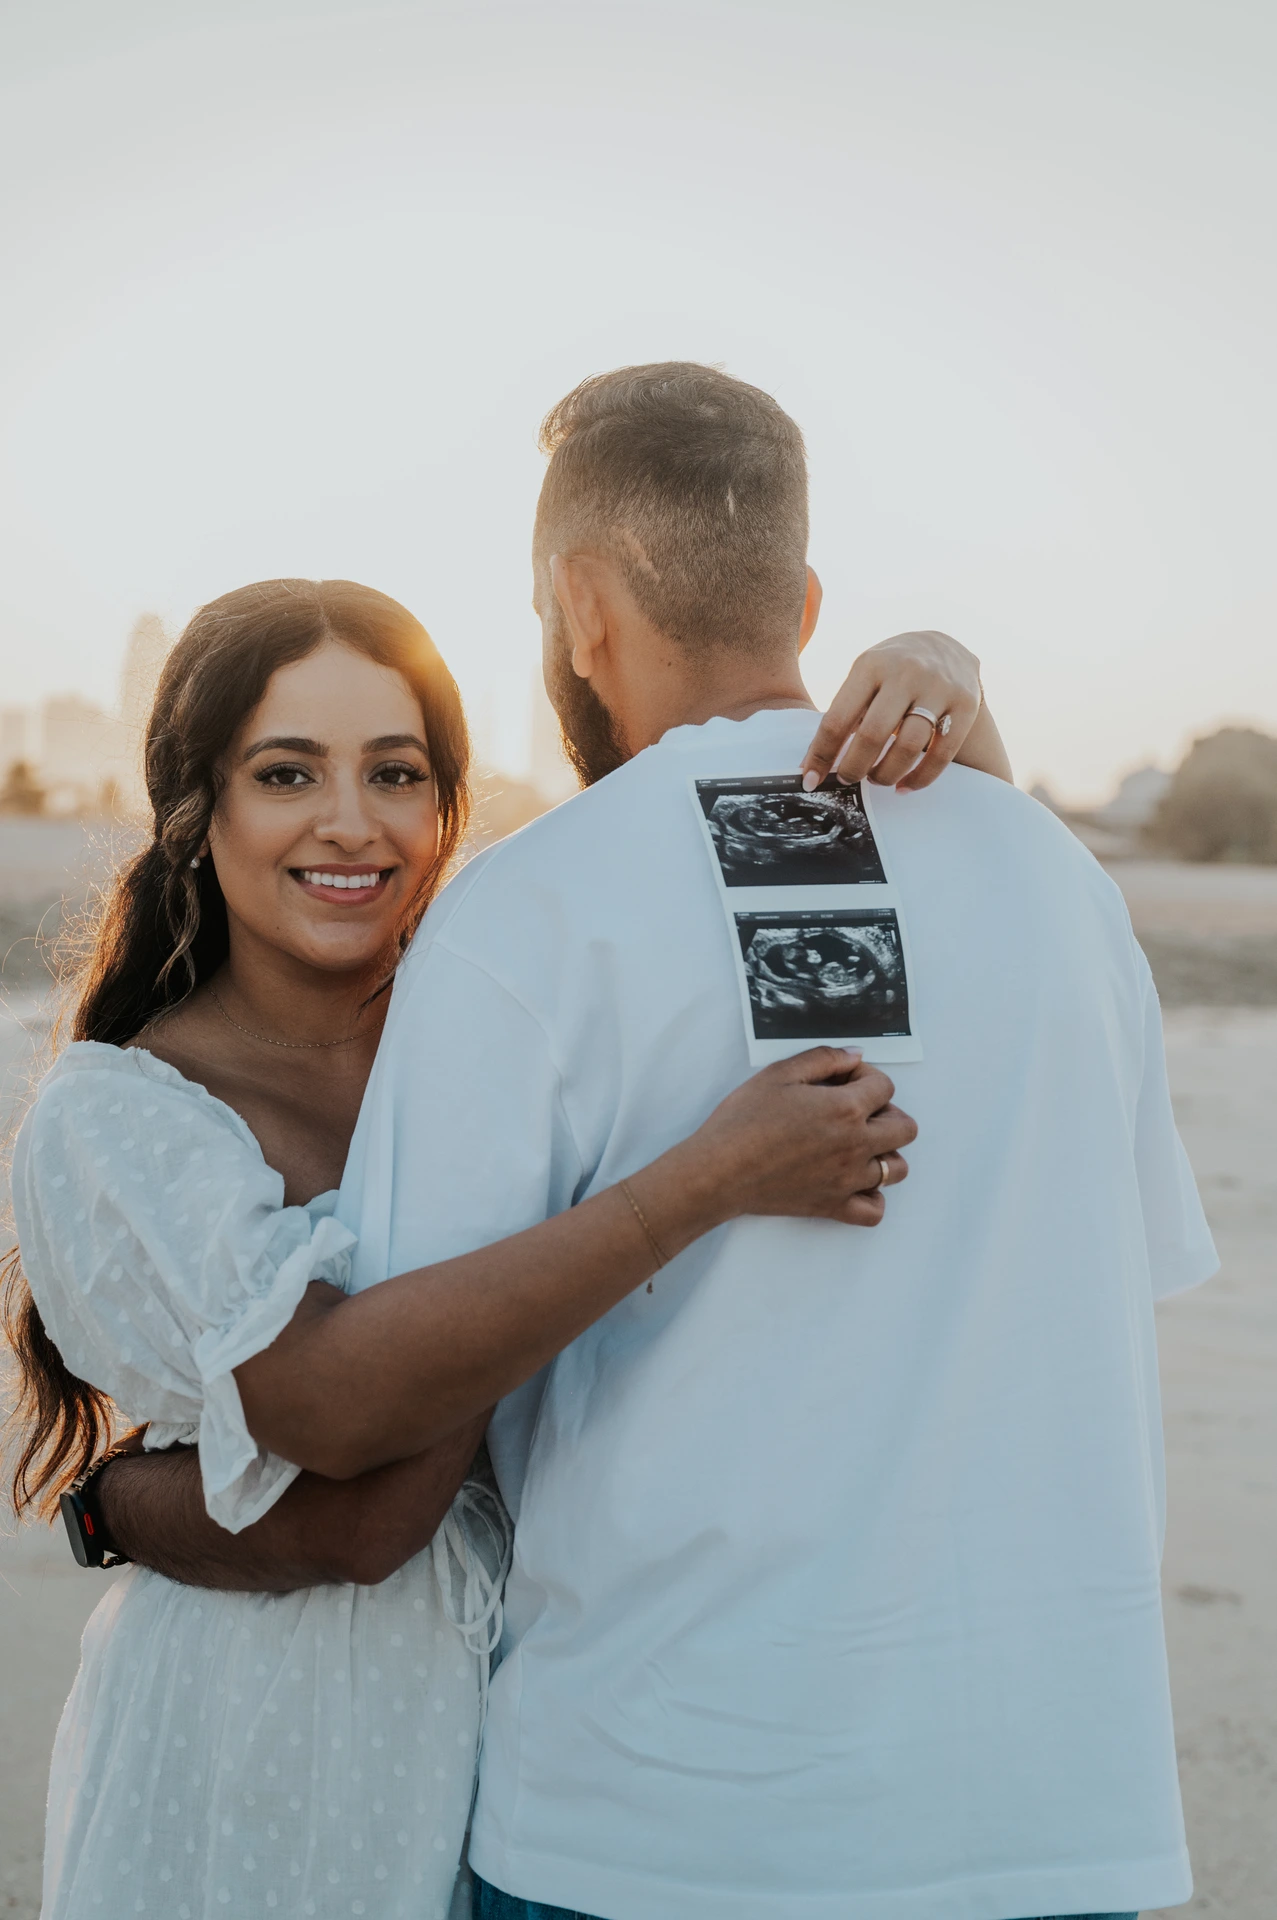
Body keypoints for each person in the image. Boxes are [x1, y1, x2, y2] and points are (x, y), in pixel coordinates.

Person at [4, 572, 985, 1919]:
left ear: (450, 803)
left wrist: (950, 695)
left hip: (537, 1765)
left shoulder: (513, 1025)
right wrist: (703, 1180)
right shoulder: (121, 1116)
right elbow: (358, 1514)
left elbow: (938, 953)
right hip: (262, 1759)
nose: (352, 824)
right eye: (287, 773)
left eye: (397, 773)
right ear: (198, 809)